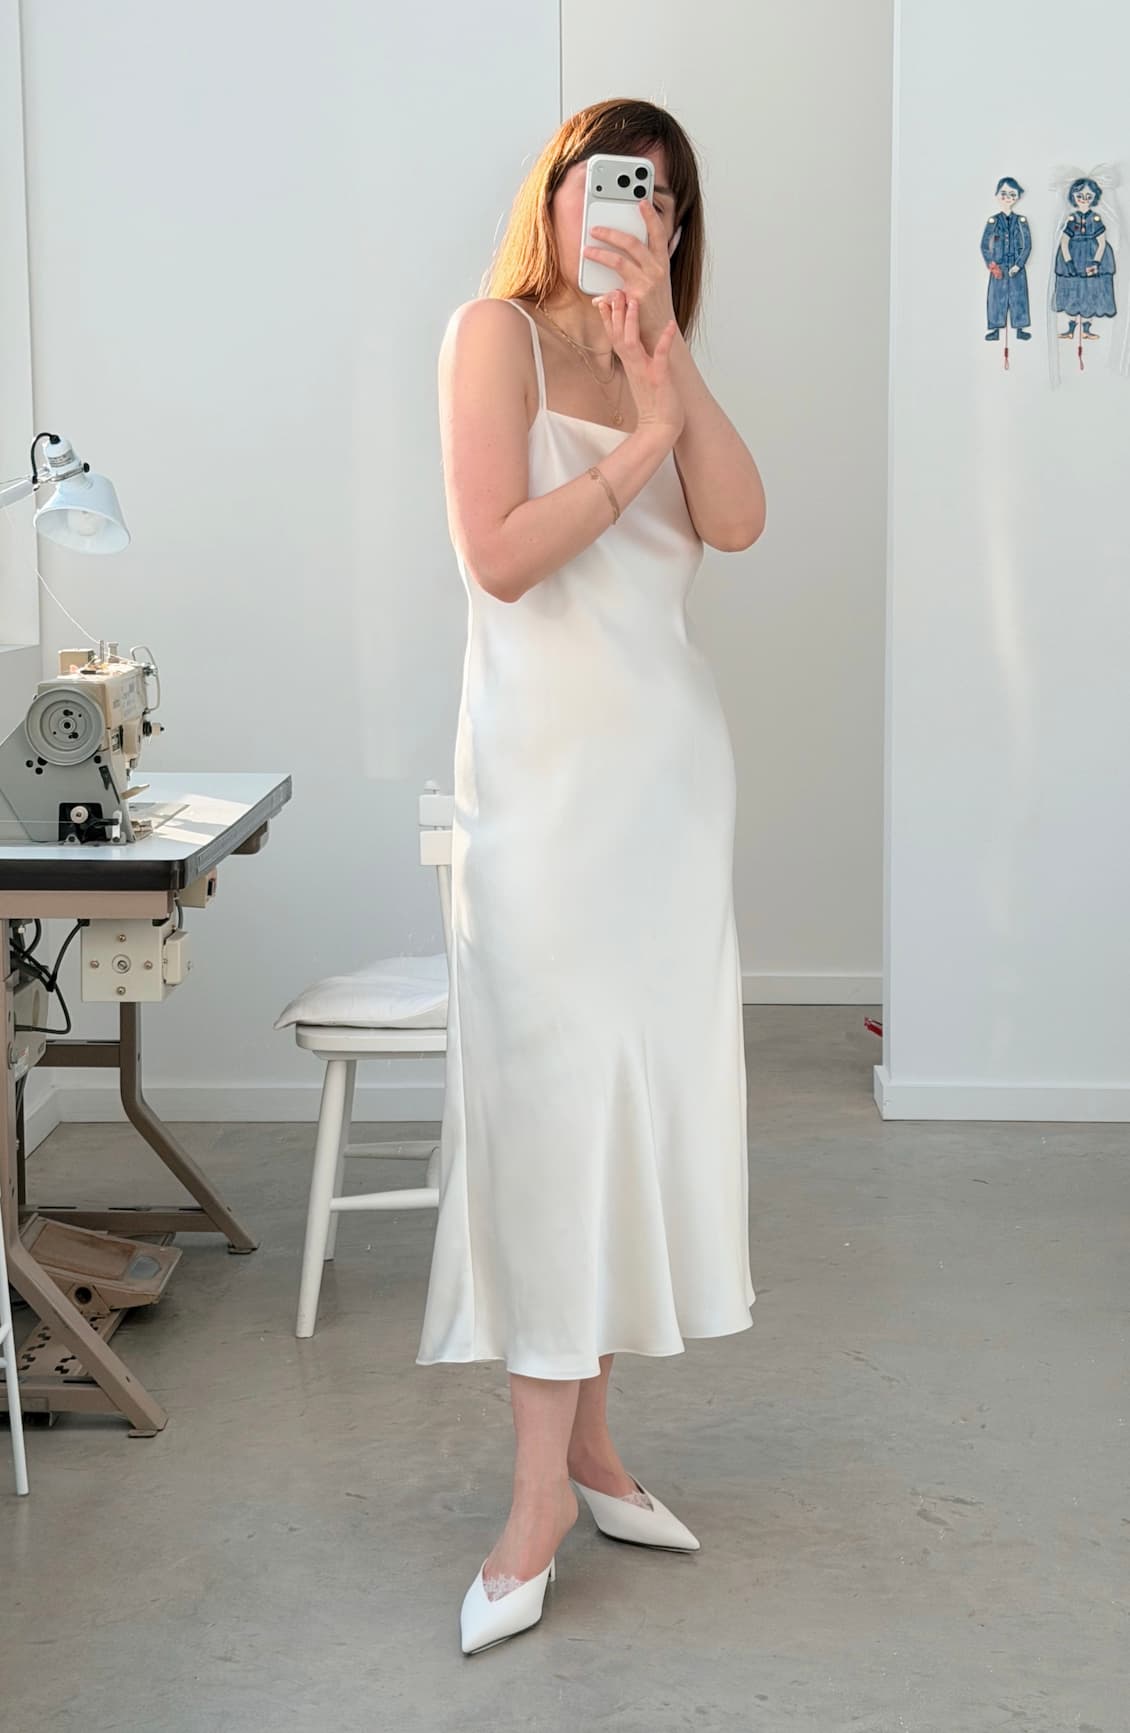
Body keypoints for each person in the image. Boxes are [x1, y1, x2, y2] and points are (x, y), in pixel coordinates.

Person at [416, 97, 766, 1655]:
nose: (639, 218)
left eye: (666, 204)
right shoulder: (488, 334)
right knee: (552, 1127)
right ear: (555, 197)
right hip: (543, 815)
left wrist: (664, 374)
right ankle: (535, 1495)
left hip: (665, 811)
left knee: (626, 1122)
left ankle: (595, 1453)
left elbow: (741, 524)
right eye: (614, 188)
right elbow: (496, 552)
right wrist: (636, 444)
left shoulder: (655, 370)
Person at [1055, 177, 1117, 341]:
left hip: (1091, 257)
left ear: (1094, 198)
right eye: (1080, 196)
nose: (1083, 200)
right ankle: (1071, 329)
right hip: (1074, 257)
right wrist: (1068, 262)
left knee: (1090, 291)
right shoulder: (1071, 218)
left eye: (1088, 196)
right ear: (1073, 197)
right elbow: (1064, 242)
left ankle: (1086, 329)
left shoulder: (1095, 218)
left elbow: (1102, 243)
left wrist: (1096, 262)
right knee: (1074, 290)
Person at [980, 177, 1032, 342]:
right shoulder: (993, 220)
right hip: (999, 266)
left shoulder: (1021, 220)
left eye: (1012, 194)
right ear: (997, 195)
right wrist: (992, 265)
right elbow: (984, 245)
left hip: (1016, 266)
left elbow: (1027, 245)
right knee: (996, 296)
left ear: (1017, 196)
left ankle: (1020, 328)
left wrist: (1019, 264)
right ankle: (995, 328)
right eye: (1004, 193)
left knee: (1019, 296)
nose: (1008, 197)